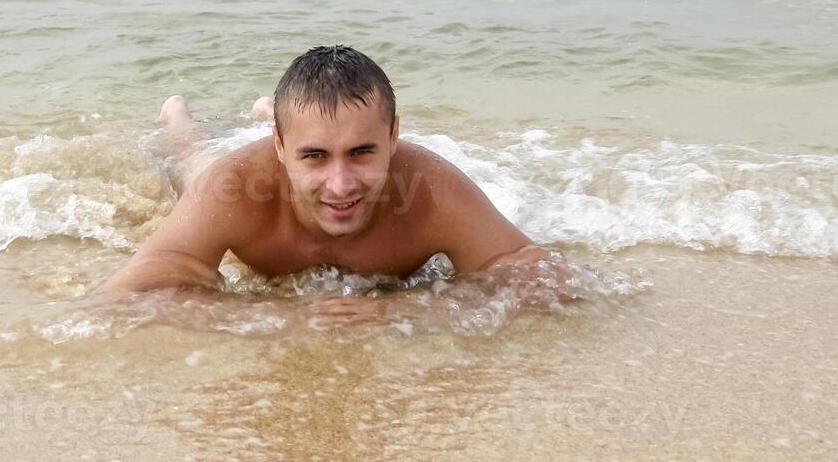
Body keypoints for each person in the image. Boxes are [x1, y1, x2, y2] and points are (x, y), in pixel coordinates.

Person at [99, 46, 548, 318]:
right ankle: (178, 114)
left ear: (393, 136)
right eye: (314, 156)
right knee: (197, 158)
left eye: (361, 152)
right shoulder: (234, 186)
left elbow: (544, 279)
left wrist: (408, 311)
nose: (340, 185)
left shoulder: (432, 190)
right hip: (235, 167)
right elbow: (124, 296)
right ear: (279, 147)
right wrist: (281, 318)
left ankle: (277, 112)